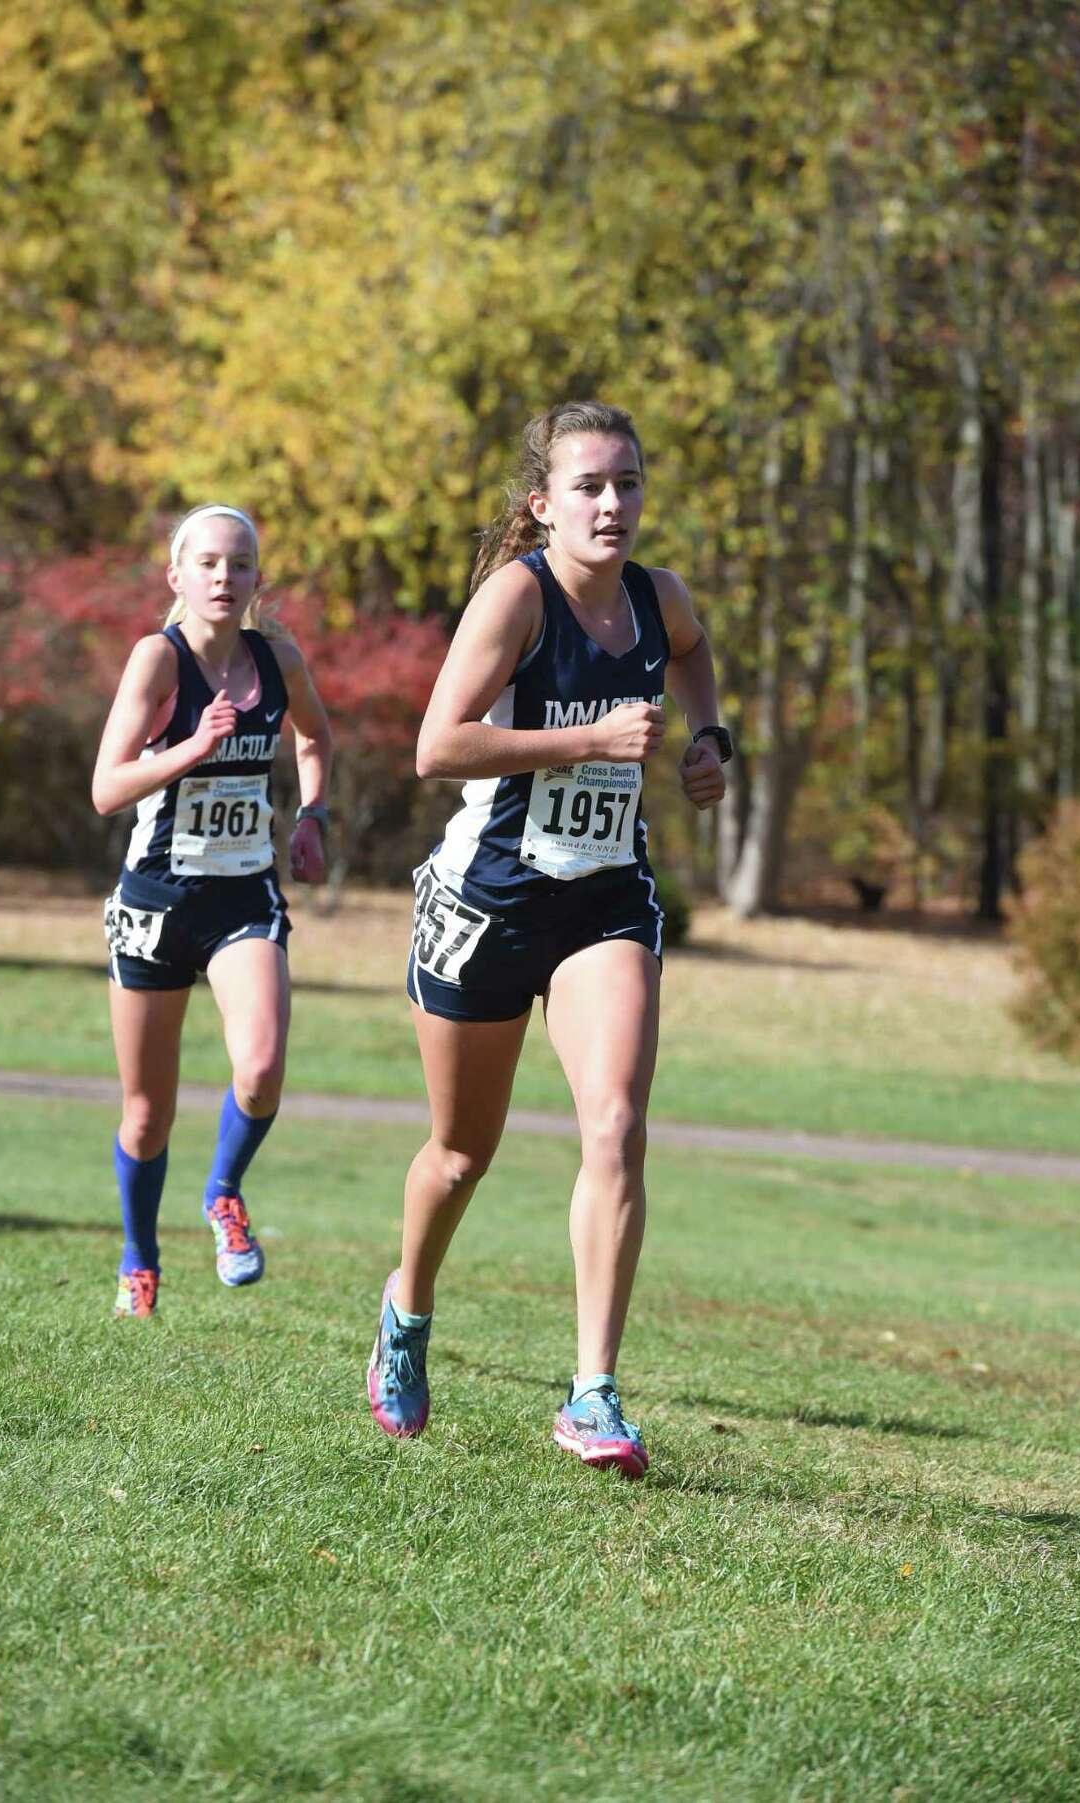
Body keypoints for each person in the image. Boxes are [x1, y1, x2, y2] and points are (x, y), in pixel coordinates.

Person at [366, 401, 730, 1477]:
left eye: (627, 483)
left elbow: (699, 658)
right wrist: (591, 738)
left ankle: (593, 1394)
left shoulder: (660, 599)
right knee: (460, 1154)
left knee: (615, 1124)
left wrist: (709, 741)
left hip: (605, 901)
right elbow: (439, 745)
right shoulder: (515, 599)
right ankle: (407, 1307)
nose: (612, 503)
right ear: (544, 504)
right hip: (489, 905)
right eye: (589, 486)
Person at [92, 503, 331, 1318]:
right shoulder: (158, 661)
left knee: (260, 1067)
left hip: (242, 894)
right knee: (147, 1111)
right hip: (158, 896)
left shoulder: (277, 656)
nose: (224, 577)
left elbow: (314, 739)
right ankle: (139, 1257)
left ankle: (224, 1192)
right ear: (178, 577)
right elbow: (105, 788)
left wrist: (311, 816)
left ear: (258, 578)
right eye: (207, 564)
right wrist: (191, 748)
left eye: (239, 564)